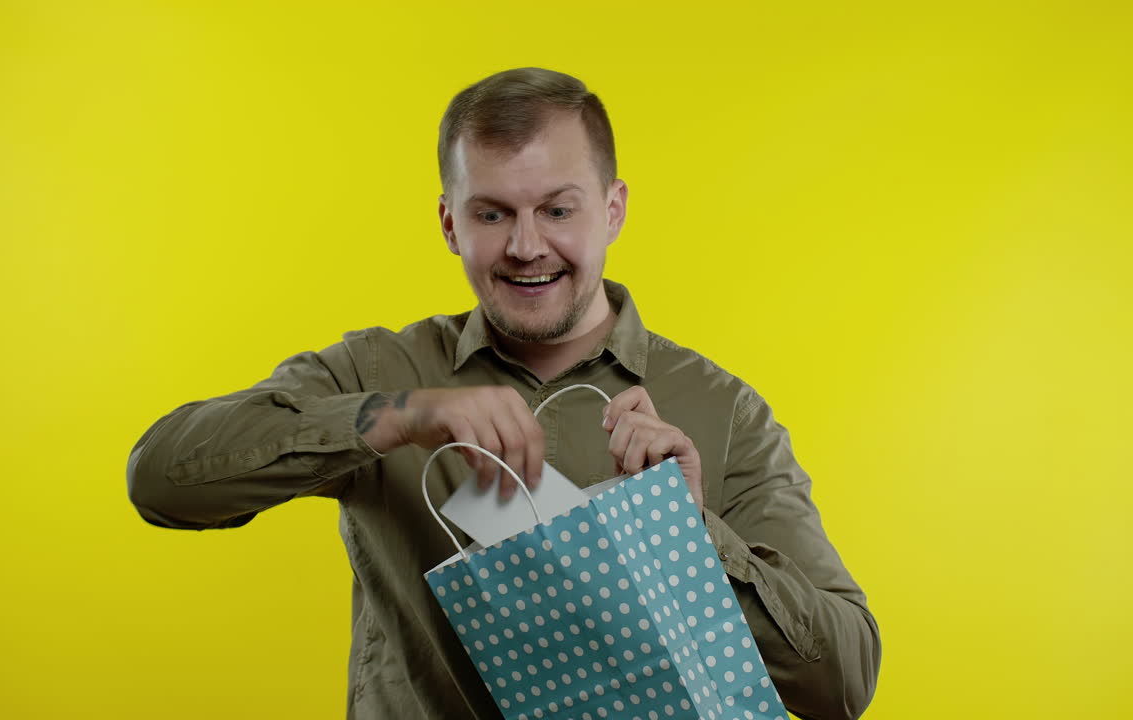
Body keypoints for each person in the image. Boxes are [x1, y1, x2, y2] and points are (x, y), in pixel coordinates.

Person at [126, 67, 881, 720]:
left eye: (558, 209)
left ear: (612, 210)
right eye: (493, 214)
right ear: (451, 223)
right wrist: (397, 415)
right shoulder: (382, 369)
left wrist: (690, 538)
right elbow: (160, 479)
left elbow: (843, 682)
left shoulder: (721, 411)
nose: (526, 246)